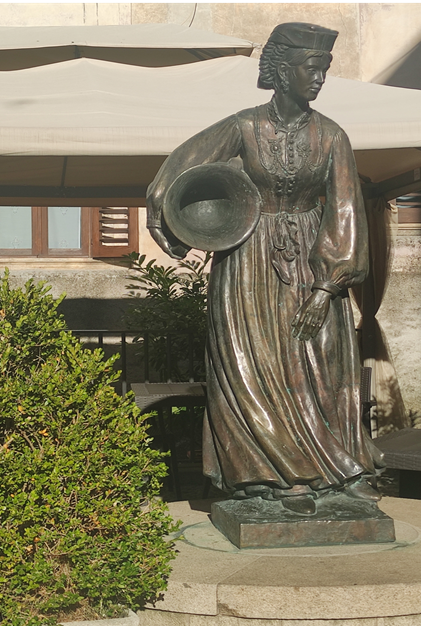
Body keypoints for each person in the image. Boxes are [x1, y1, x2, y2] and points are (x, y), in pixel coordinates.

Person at [145, 22, 382, 515]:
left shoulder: (332, 135)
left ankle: (336, 471)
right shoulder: (243, 126)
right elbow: (176, 170)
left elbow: (346, 212)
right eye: (311, 69)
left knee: (320, 365)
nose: (319, 79)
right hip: (246, 261)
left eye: (325, 71)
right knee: (245, 364)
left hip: (313, 267)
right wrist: (174, 227)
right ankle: (257, 476)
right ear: (281, 71)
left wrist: (326, 288)